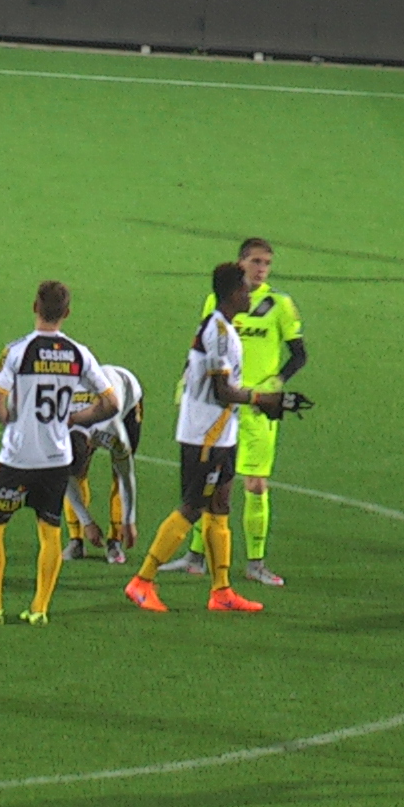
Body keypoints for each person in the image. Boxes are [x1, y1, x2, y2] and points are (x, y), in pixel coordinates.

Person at [125, 263, 296, 614]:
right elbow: (221, 390)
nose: (250, 295)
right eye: (245, 289)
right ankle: (142, 581)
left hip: (222, 434)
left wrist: (264, 402)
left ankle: (221, 591)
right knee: (192, 507)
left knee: (220, 507)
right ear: (233, 293)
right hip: (205, 435)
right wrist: (262, 399)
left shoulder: (225, 329)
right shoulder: (218, 332)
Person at [0, 281, 119, 626]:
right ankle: (39, 609)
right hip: (56, 460)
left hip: (17, 459)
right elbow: (111, 403)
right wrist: (76, 418)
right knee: (50, 531)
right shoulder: (79, 354)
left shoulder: (16, 351)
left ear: (35, 307)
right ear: (67, 313)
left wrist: (14, 424)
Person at [159, 238, 307, 585]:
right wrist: (185, 380)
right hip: (222, 406)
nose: (261, 269)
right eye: (256, 262)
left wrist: (276, 383)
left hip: (257, 408)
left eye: (267, 263)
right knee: (209, 483)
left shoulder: (279, 305)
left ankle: (256, 563)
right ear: (241, 264)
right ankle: (195, 557)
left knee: (255, 484)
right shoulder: (218, 302)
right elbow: (200, 346)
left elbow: (299, 354)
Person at [62, 364, 144, 565]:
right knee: (74, 476)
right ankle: (76, 540)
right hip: (88, 399)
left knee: (118, 471)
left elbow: (126, 477)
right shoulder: (57, 430)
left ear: (91, 445)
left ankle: (115, 540)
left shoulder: (112, 430)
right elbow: (66, 479)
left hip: (127, 394)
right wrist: (87, 522)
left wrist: (129, 521)